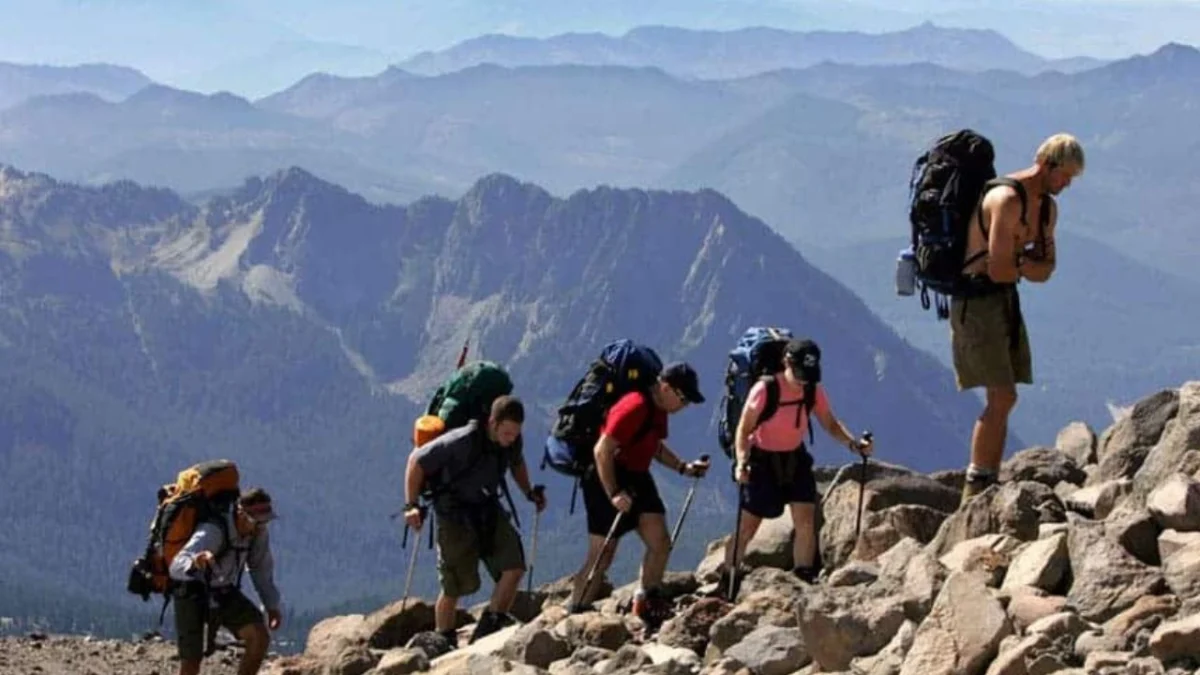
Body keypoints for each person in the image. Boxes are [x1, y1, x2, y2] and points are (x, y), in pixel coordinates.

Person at [952, 132, 1085, 505]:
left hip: (1004, 301)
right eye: (1065, 176)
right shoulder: (1006, 200)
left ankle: (986, 480)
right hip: (977, 302)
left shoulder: (1046, 208)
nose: (1067, 185)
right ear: (1047, 165)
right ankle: (976, 486)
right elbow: (998, 268)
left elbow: (1045, 269)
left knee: (1005, 397)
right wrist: (1025, 265)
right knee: (1003, 395)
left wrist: (1020, 264)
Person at [721, 339, 872, 590]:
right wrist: (741, 462)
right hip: (762, 461)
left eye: (809, 375)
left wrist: (854, 444)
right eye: (800, 373)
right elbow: (744, 429)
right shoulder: (765, 389)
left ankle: (803, 577)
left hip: (795, 459)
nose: (804, 380)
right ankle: (728, 580)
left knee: (805, 520)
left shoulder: (813, 389)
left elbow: (830, 424)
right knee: (748, 527)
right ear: (786, 363)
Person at [566, 362, 711, 621]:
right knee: (603, 552)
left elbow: (653, 445)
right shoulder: (634, 406)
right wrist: (614, 493)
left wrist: (683, 467)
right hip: (605, 476)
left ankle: (647, 600)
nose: (684, 405)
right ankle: (576, 612)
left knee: (660, 542)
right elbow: (602, 450)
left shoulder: (659, 409)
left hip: (638, 476)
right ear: (666, 387)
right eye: (683, 398)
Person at [404, 395, 547, 644]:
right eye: (506, 433)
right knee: (455, 585)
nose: (511, 439)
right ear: (492, 422)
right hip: (454, 514)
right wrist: (411, 505)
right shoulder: (462, 439)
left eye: (515, 434)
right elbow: (417, 461)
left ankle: (491, 624)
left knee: (514, 566)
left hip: (487, 507)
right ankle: (444, 639)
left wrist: (528, 492)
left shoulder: (511, 442)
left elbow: (516, 463)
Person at [168, 488, 282, 675]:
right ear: (240, 512)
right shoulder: (213, 531)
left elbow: (261, 569)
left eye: (265, 521)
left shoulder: (258, 534)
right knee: (191, 661)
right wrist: (195, 563)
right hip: (191, 592)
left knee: (259, 637)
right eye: (256, 521)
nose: (260, 526)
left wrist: (271, 605)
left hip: (224, 591)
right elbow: (176, 566)